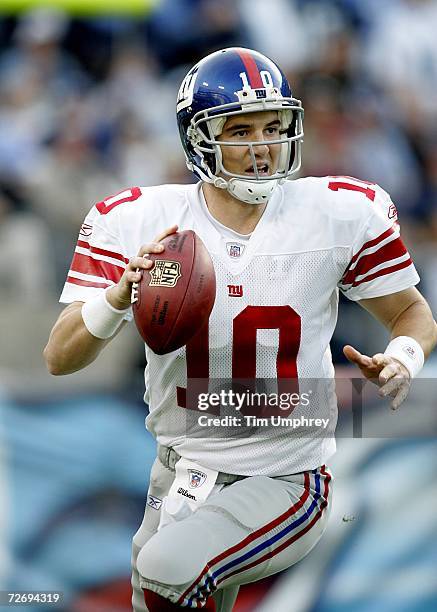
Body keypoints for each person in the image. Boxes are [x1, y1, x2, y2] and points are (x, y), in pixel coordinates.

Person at [44, 47, 437, 611]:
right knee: (166, 590)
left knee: (166, 572)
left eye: (273, 127)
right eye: (241, 129)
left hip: (286, 476)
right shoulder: (137, 222)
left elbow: (413, 315)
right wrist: (116, 297)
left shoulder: (339, 212)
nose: (261, 146)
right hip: (179, 468)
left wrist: (403, 356)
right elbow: (60, 357)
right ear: (199, 140)